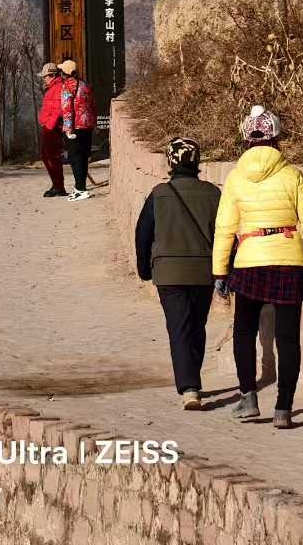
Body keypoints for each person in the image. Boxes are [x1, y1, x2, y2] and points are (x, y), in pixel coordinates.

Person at [212, 105, 303, 429]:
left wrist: (220, 271)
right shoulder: (292, 175)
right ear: (276, 138)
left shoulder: (235, 178)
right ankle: (283, 408)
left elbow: (224, 229)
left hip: (249, 262)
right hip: (288, 261)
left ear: (246, 139)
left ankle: (248, 397)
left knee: (244, 331)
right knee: (287, 338)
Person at [135, 137, 222, 410]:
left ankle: (190, 387)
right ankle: (192, 379)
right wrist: (225, 270)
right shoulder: (213, 193)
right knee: (197, 326)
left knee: (179, 327)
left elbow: (143, 234)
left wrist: (144, 268)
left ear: (170, 162)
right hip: (204, 271)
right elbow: (225, 233)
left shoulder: (159, 194)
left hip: (168, 273)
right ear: (197, 161)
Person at [57, 59, 96, 202]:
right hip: (87, 125)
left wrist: (68, 129)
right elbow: (92, 105)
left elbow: (67, 108)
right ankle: (80, 187)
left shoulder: (67, 86)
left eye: (61, 72)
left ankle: (80, 190)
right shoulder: (85, 85)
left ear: (65, 73)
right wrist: (94, 123)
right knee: (84, 157)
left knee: (75, 158)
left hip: (75, 127)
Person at [36, 63, 67, 198]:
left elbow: (59, 110)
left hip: (52, 128)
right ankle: (56, 185)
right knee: (46, 156)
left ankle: (59, 187)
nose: (44, 79)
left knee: (52, 157)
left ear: (53, 75)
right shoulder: (52, 88)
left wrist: (49, 125)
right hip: (49, 127)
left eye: (45, 76)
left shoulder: (58, 88)